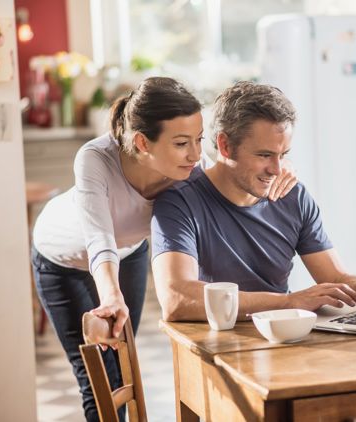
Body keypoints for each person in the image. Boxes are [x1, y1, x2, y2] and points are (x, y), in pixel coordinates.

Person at [31, 77, 296, 421]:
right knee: (99, 381)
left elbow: (231, 174)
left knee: (123, 368)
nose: (196, 154)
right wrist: (111, 296)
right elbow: (100, 238)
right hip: (61, 261)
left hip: (128, 255)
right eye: (182, 143)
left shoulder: (189, 170)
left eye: (199, 140)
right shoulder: (95, 159)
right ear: (143, 142)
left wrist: (278, 172)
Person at [151, 81, 356, 321]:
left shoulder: (294, 197)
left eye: (283, 155)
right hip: (216, 345)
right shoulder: (179, 202)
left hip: (285, 340)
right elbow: (176, 299)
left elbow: (335, 278)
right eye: (264, 155)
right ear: (225, 146)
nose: (277, 169)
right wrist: (289, 302)